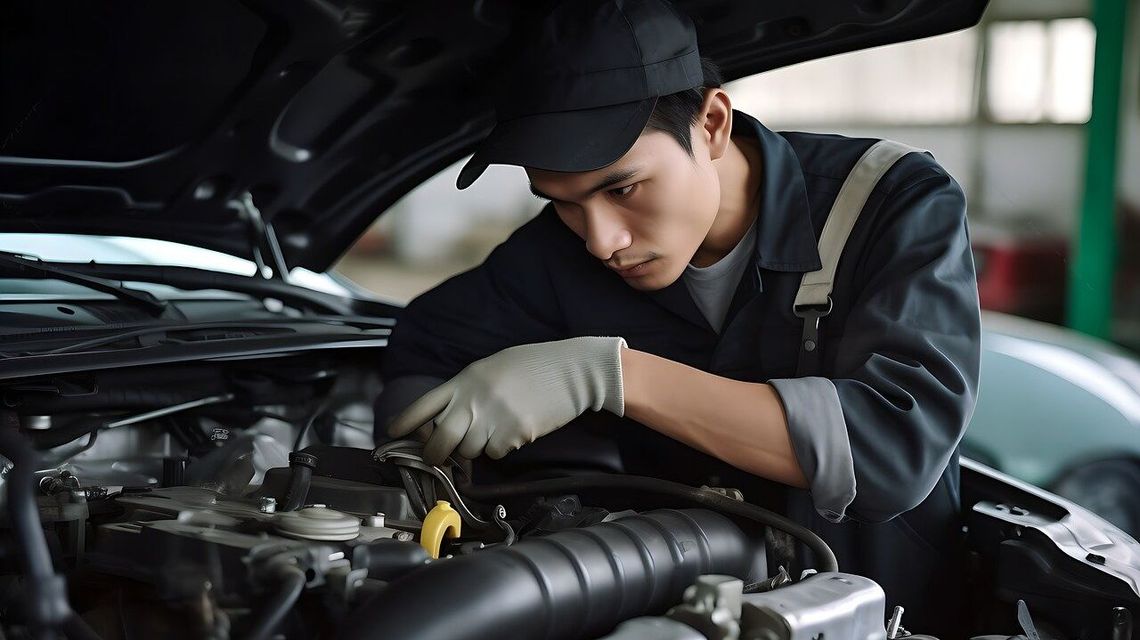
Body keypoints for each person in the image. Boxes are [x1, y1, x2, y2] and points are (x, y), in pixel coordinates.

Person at [374, 0, 980, 632]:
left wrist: (607, 378)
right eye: (562, 202)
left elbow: (892, 449)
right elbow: (427, 352)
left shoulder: (886, 203)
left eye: (622, 188)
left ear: (712, 124)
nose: (600, 241)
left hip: (881, 616)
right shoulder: (556, 253)